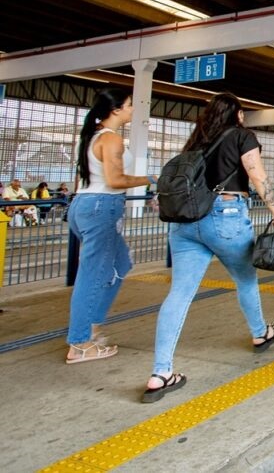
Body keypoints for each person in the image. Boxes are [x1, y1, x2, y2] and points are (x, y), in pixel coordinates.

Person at [142, 92, 274, 403]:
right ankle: (261, 332)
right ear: (236, 114)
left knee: (179, 294)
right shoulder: (242, 136)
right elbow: (256, 174)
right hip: (225, 217)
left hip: (185, 224)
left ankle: (160, 373)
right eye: (242, 113)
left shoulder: (196, 142)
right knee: (246, 280)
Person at [66, 89, 157, 364]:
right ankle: (80, 343)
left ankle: (91, 327)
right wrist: (150, 179)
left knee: (121, 263)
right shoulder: (111, 139)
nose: (133, 110)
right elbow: (115, 180)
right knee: (92, 274)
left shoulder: (92, 136)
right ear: (115, 109)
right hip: (101, 206)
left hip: (86, 204)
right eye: (129, 105)